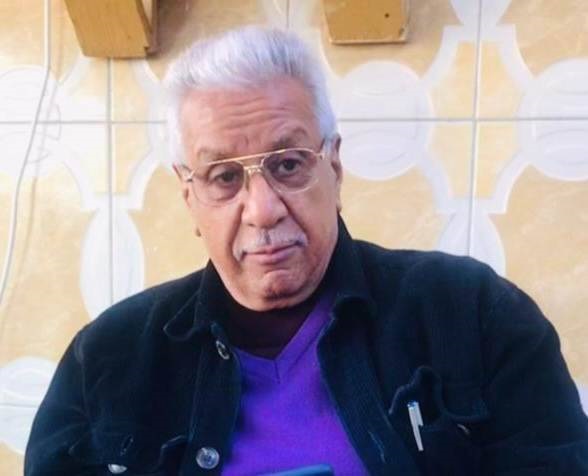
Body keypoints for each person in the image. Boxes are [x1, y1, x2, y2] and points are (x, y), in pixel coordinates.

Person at [25, 26, 588, 476]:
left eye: (289, 164)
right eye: (224, 176)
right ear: (189, 195)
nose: (262, 209)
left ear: (334, 169)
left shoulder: (474, 314)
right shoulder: (106, 360)